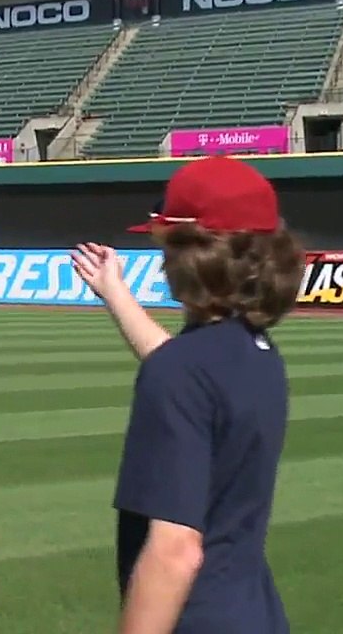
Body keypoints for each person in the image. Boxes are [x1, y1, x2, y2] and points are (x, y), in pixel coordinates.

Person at [72, 155, 303, 634]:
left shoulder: (183, 371)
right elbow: (182, 369)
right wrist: (115, 294)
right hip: (256, 614)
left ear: (190, 254)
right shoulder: (255, 353)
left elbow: (175, 551)